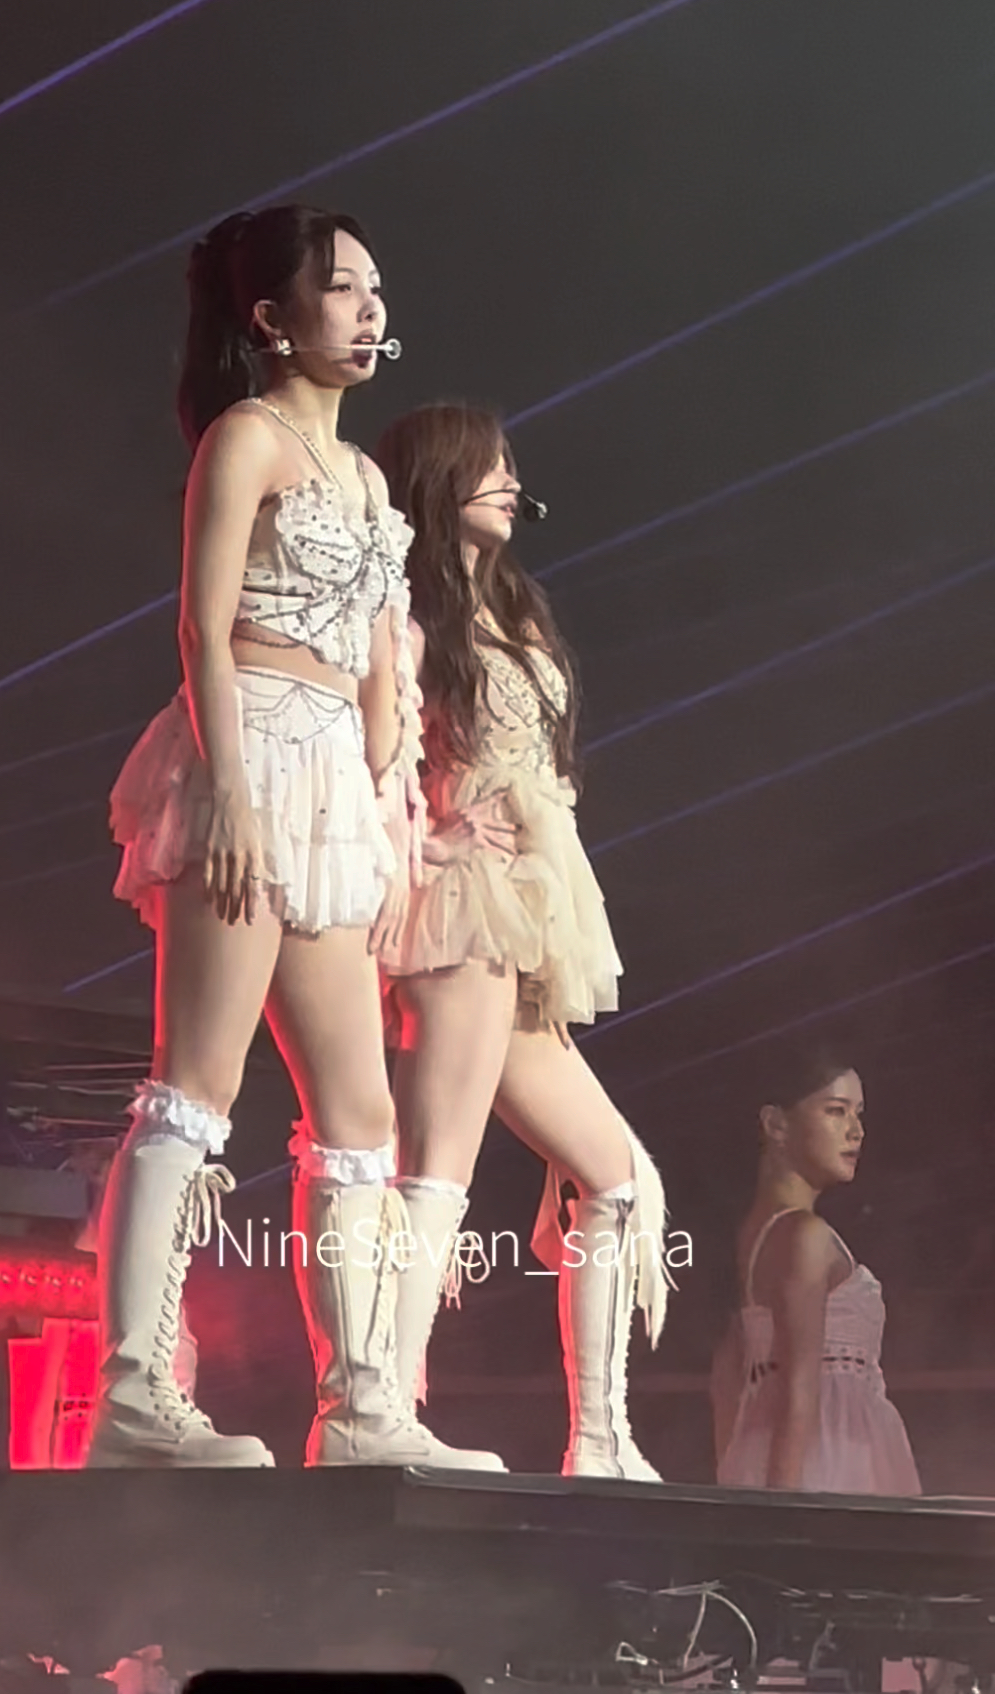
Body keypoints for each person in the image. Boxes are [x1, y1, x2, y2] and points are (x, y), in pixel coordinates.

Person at [88, 206, 501, 1471]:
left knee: (360, 1112)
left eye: (376, 289)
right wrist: (228, 792)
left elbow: (382, 663)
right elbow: (202, 628)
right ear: (272, 318)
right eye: (341, 290)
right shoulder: (247, 440)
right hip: (251, 747)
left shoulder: (365, 478)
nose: (369, 311)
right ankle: (134, 1392)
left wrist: (386, 792)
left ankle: (365, 1408)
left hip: (332, 783)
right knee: (196, 1085)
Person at [374, 402, 671, 1481]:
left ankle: (600, 1437)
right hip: (460, 905)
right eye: (487, 466)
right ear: (438, 478)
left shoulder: (514, 608)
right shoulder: (405, 615)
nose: (508, 481)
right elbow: (377, 760)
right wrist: (436, 834)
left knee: (616, 1175)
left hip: (530, 914)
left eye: (510, 466)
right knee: (435, 1172)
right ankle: (377, 1407)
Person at [714, 1046, 921, 1494]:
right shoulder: (803, 1236)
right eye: (835, 1110)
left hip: (783, 1455)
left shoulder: (755, 1234)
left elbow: (727, 1381)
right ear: (776, 1124)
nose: (856, 1131)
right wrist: (788, 1517)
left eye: (858, 1113)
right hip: (828, 1463)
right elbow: (798, 1388)